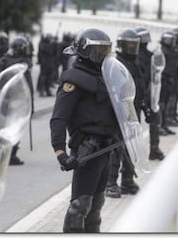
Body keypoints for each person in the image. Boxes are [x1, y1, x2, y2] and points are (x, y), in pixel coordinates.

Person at [50, 27, 119, 233]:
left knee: (96, 206)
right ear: (86, 51)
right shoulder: (73, 79)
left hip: (105, 148)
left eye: (105, 50)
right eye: (99, 50)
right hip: (87, 149)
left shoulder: (106, 76)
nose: (103, 54)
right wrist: (60, 152)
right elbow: (58, 118)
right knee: (79, 206)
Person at [106, 28, 141, 199]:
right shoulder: (116, 65)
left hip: (134, 111)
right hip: (120, 112)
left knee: (131, 148)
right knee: (117, 147)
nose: (132, 48)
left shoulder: (137, 62)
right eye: (129, 45)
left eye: (134, 45)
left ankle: (127, 180)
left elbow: (142, 85)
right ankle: (111, 182)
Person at [0, 36, 34, 166]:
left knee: (4, 127)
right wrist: (31, 104)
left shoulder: (3, 61)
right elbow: (28, 85)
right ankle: (11, 155)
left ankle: (3, 154)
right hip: (19, 100)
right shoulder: (25, 63)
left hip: (4, 99)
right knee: (16, 127)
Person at [135, 27, 165, 161]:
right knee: (135, 128)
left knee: (153, 120)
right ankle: (153, 150)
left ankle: (154, 150)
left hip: (143, 94)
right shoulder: (136, 56)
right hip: (139, 95)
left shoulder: (149, 55)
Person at [159, 31, 178, 135]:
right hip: (162, 81)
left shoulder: (172, 51)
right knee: (161, 104)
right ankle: (159, 126)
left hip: (169, 80)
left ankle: (164, 125)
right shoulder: (161, 51)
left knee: (166, 104)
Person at [167, 28, 178, 127]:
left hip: (177, 75)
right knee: (171, 97)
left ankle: (173, 114)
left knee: (176, 96)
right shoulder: (171, 49)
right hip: (172, 77)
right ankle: (169, 116)